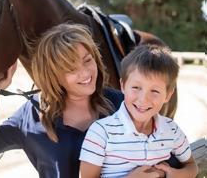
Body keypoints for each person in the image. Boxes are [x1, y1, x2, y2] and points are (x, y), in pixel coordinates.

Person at [0, 23, 168, 177]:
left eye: (87, 60)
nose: (85, 73)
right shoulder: (32, 115)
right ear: (53, 75)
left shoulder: (121, 104)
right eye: (70, 68)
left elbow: (162, 153)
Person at [79, 45, 198, 178]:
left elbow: (192, 166)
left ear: (168, 95)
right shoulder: (100, 133)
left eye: (155, 91)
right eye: (136, 87)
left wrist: (172, 174)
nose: (143, 99)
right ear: (123, 86)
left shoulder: (172, 130)